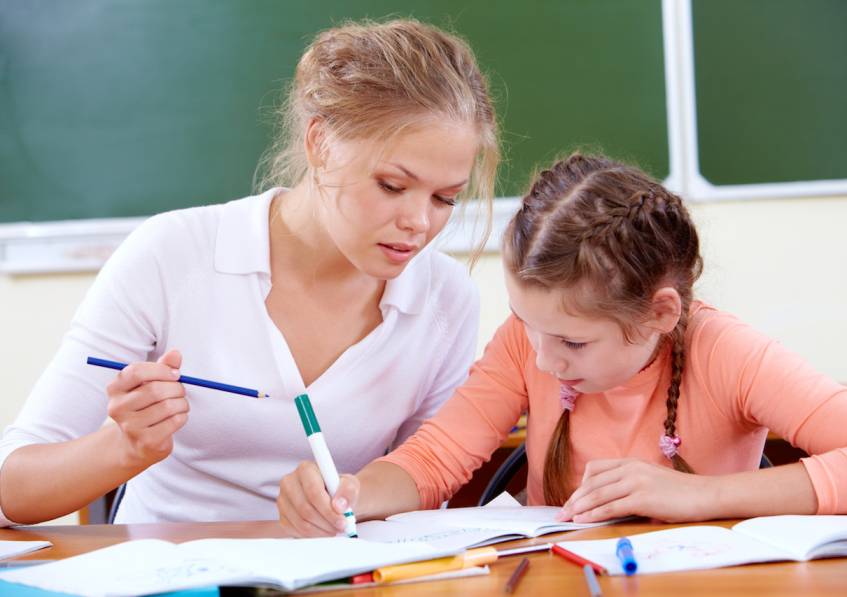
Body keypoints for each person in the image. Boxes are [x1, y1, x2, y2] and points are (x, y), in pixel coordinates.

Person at [0, 19, 499, 525]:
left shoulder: (445, 297)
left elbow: (429, 475)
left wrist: (354, 498)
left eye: (445, 199)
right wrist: (124, 449)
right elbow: (12, 489)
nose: (418, 223)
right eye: (392, 185)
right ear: (320, 144)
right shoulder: (171, 254)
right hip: (173, 574)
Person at [277, 152, 847, 537]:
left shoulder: (726, 352)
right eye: (527, 324)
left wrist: (702, 494)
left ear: (658, 314)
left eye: (573, 341)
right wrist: (354, 493)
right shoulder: (528, 344)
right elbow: (438, 458)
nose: (544, 361)